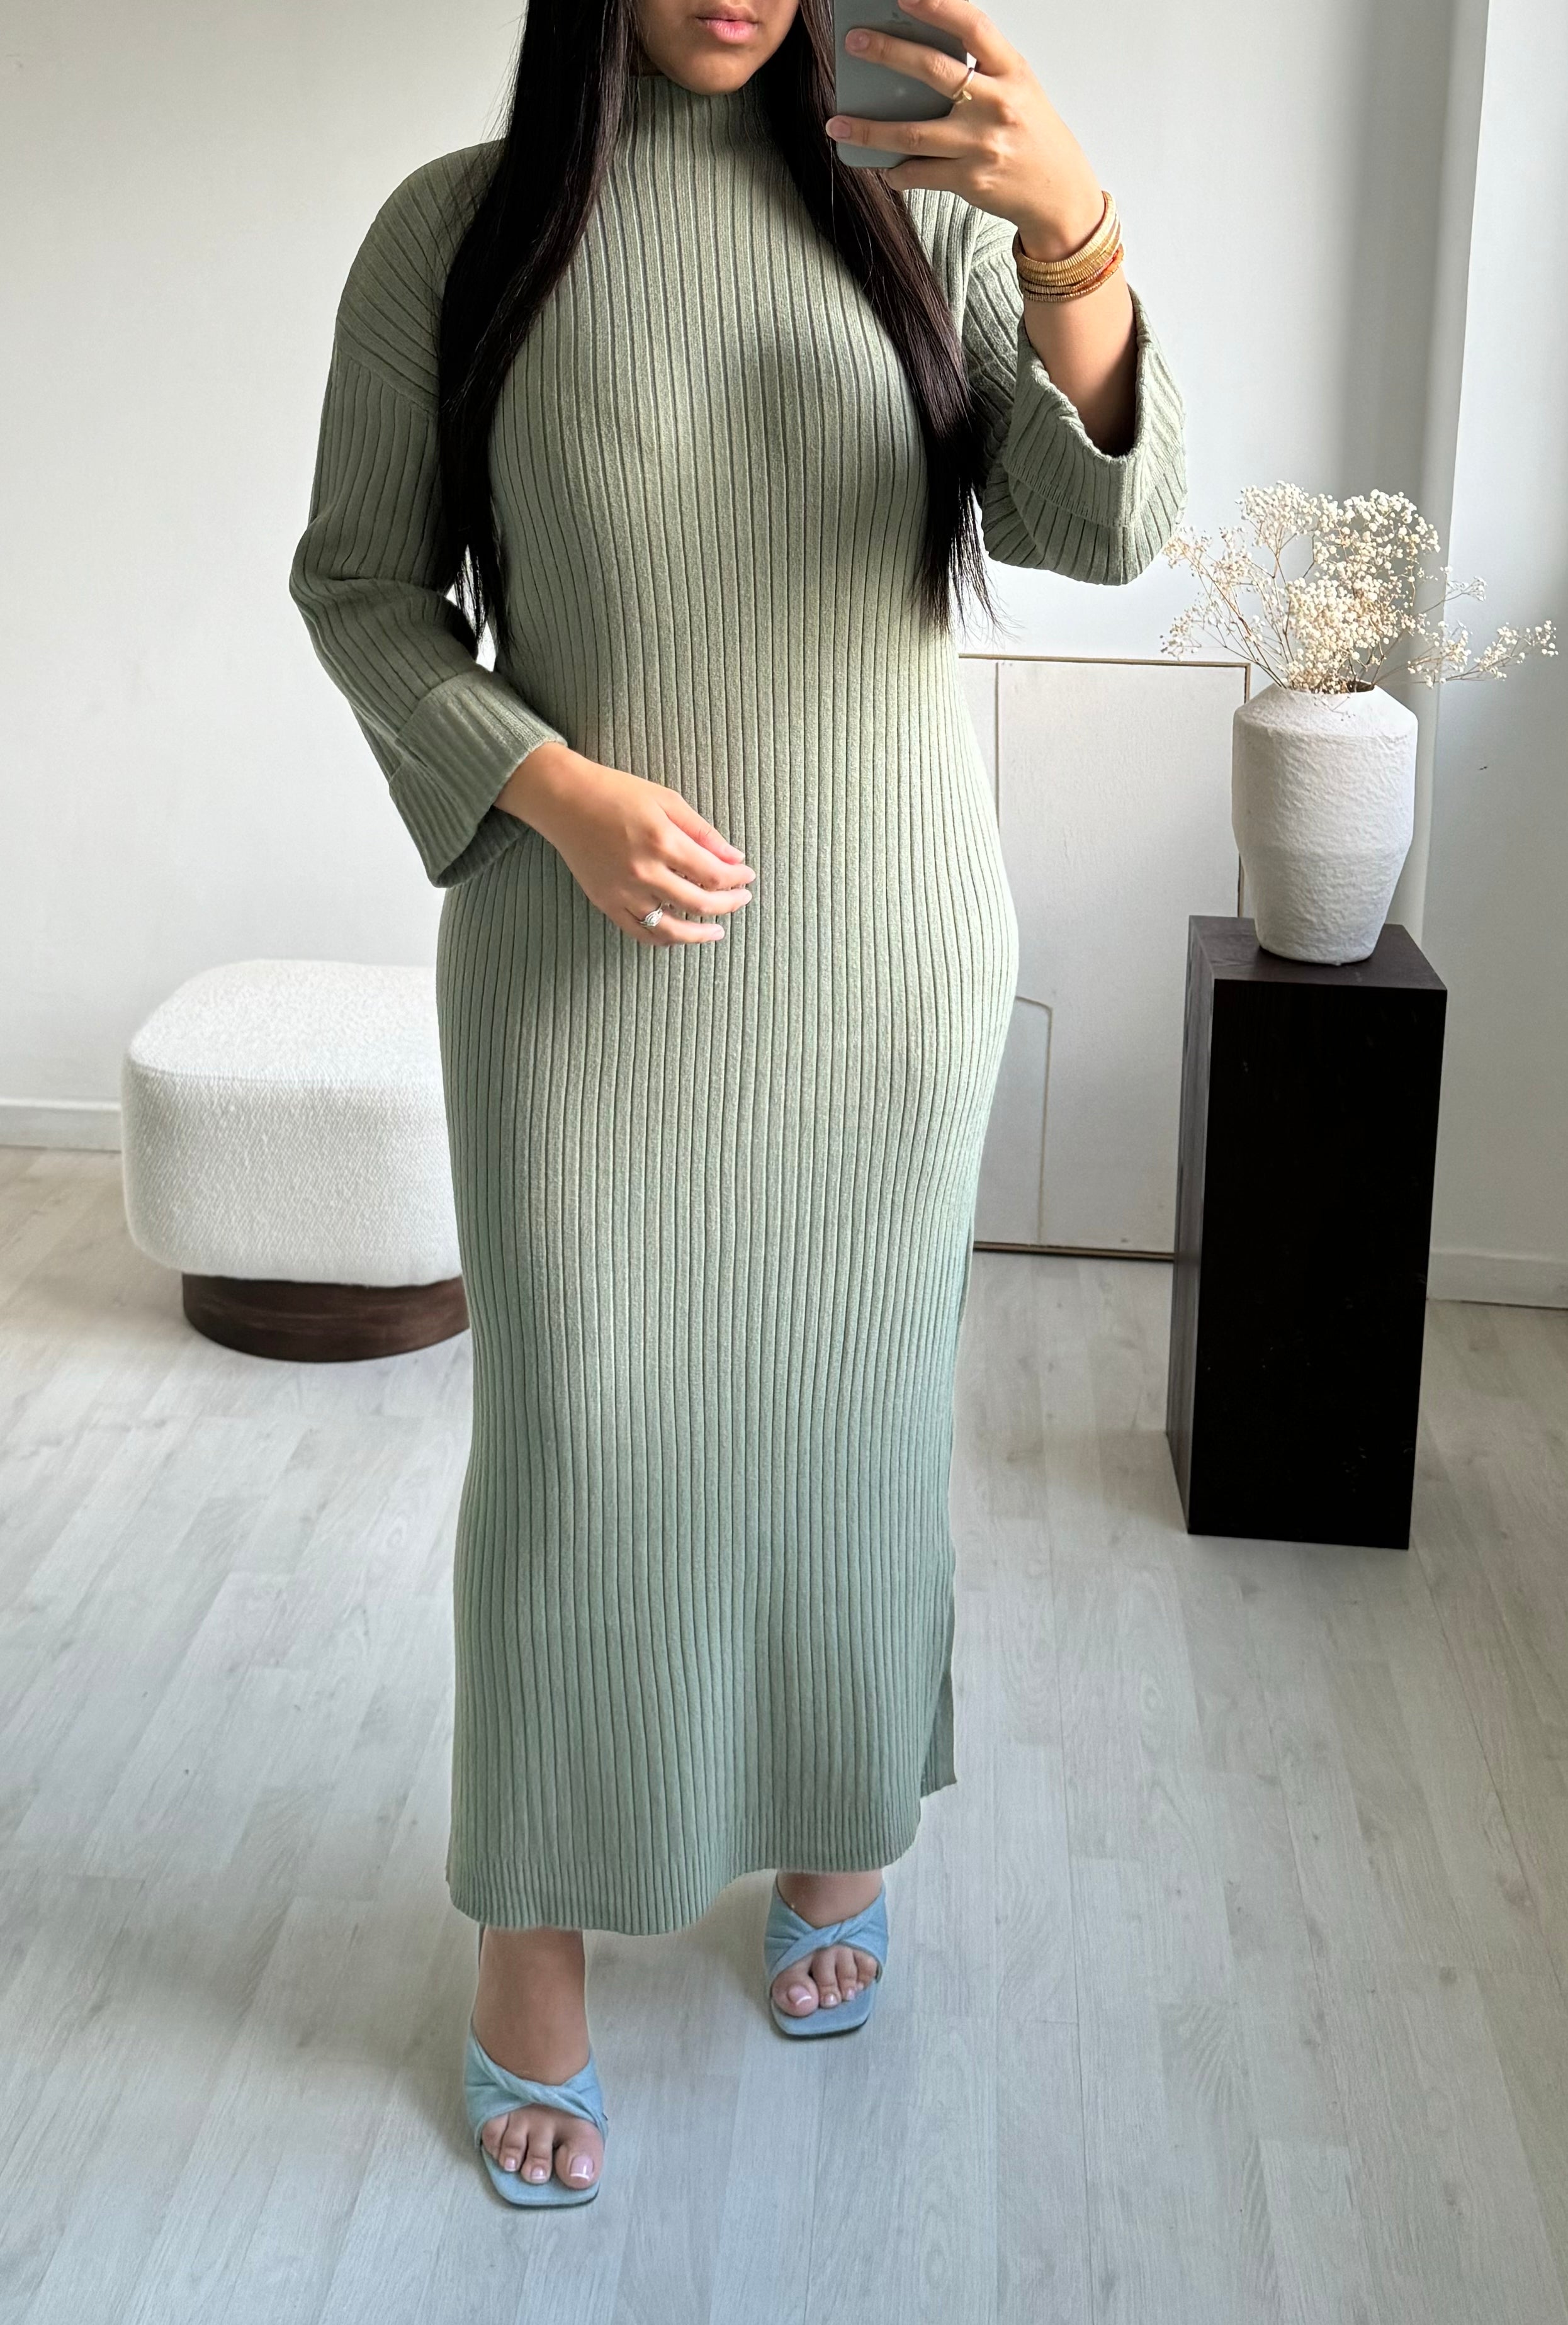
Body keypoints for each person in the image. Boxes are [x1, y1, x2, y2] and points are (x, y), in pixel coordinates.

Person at [290, 0, 1185, 2208]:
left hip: (885, 965)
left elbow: (1104, 531)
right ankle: (532, 1942)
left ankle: (830, 1838)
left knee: (847, 1431)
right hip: (579, 962)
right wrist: (550, 786)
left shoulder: (920, 208)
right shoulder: (456, 236)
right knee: (578, 1460)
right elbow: (363, 587)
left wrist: (1069, 228)